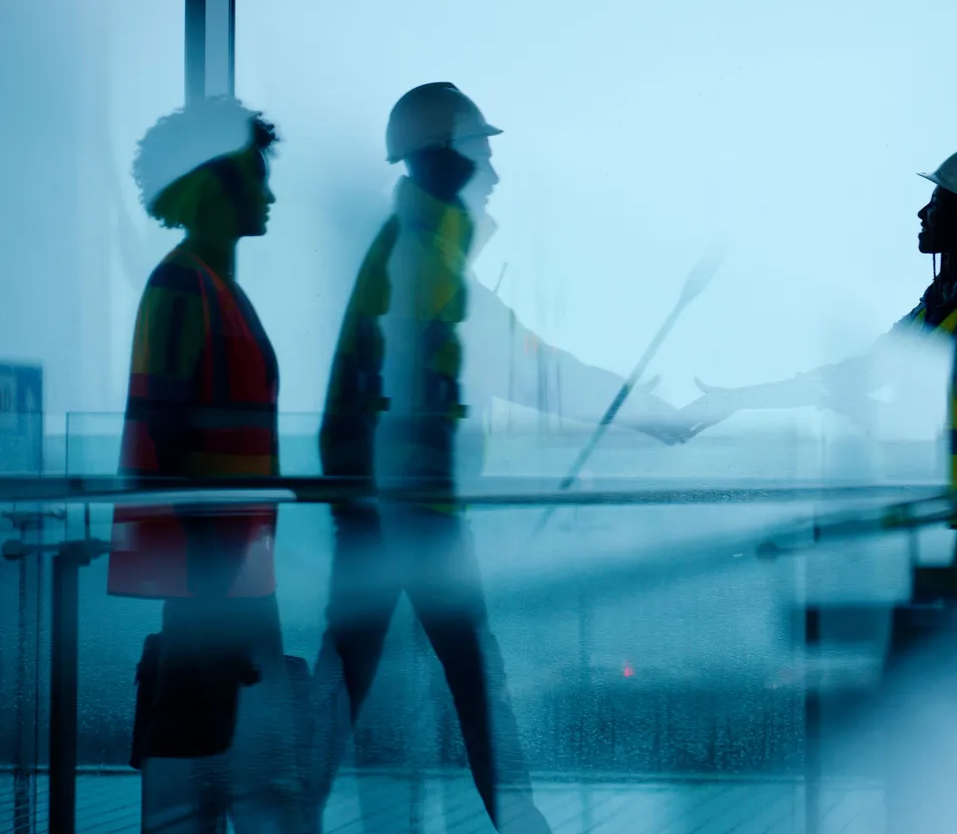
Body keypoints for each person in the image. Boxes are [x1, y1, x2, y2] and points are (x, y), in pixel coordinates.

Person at [313, 82, 687, 833]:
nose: (495, 172)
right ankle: (522, 822)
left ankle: (296, 815)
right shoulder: (424, 262)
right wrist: (642, 413)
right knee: (468, 676)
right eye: (482, 152)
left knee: (354, 677)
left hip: (390, 506)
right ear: (446, 159)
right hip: (412, 511)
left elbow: (514, 358)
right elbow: (522, 364)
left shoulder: (418, 250)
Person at [683, 141, 957, 558]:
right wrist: (743, 399)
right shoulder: (943, 303)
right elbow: (858, 372)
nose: (922, 214)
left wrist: (873, 413)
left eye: (937, 202)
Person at [108, 97, 310, 834]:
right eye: (257, 176)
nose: (270, 194)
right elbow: (167, 436)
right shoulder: (185, 288)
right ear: (214, 182)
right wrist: (214, 581)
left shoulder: (211, 288)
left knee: (231, 764)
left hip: (230, 566)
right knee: (221, 770)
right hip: (216, 572)